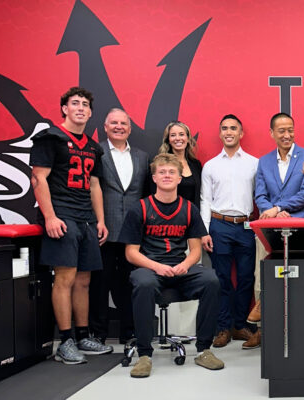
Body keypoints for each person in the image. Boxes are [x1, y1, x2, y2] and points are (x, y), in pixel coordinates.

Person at [29, 87, 113, 364]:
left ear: (90, 112)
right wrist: (50, 217)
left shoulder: (93, 146)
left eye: (85, 104)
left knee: (84, 280)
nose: (80, 108)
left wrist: (100, 220)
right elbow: (38, 179)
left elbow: (95, 185)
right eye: (74, 103)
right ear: (64, 108)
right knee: (64, 278)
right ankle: (64, 341)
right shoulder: (50, 138)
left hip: (86, 217)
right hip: (62, 215)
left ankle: (82, 335)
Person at [120, 153, 223, 378]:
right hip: (150, 269)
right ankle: (145, 355)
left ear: (179, 179)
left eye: (172, 172)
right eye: (162, 172)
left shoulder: (188, 209)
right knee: (143, 282)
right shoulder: (140, 209)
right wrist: (157, 267)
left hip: (179, 270)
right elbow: (131, 253)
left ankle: (204, 350)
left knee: (211, 280)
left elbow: (196, 250)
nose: (167, 176)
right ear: (154, 178)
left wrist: (185, 265)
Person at [250, 112, 304, 349]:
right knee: (261, 275)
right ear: (272, 134)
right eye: (282, 131)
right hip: (267, 227)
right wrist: (272, 211)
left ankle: (300, 326)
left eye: (290, 130)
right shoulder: (264, 161)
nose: (287, 135)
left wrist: (280, 208)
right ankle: (263, 330)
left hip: (299, 225)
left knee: (296, 276)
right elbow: (260, 195)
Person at [89, 108, 150, 344]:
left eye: (123, 123)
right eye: (113, 123)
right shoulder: (96, 152)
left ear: (130, 128)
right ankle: (99, 334)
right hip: (103, 230)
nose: (118, 127)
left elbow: (145, 195)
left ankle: (129, 332)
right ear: (105, 127)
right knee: (99, 285)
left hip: (133, 233)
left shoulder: (143, 157)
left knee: (130, 285)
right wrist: (97, 221)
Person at [200, 114, 259, 348]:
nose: (229, 132)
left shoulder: (254, 163)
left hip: (246, 225)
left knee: (246, 278)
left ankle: (240, 325)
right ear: (220, 133)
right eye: (224, 128)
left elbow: (260, 196)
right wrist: (205, 231)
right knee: (221, 278)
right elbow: (205, 199)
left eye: (233, 128)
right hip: (219, 225)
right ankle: (222, 328)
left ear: (241, 133)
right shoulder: (211, 166)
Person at [157, 121, 202, 206]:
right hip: (169, 216)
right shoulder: (161, 165)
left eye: (181, 134)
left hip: (193, 216)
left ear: (188, 139)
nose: (178, 138)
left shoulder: (196, 165)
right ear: (168, 140)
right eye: (173, 135)